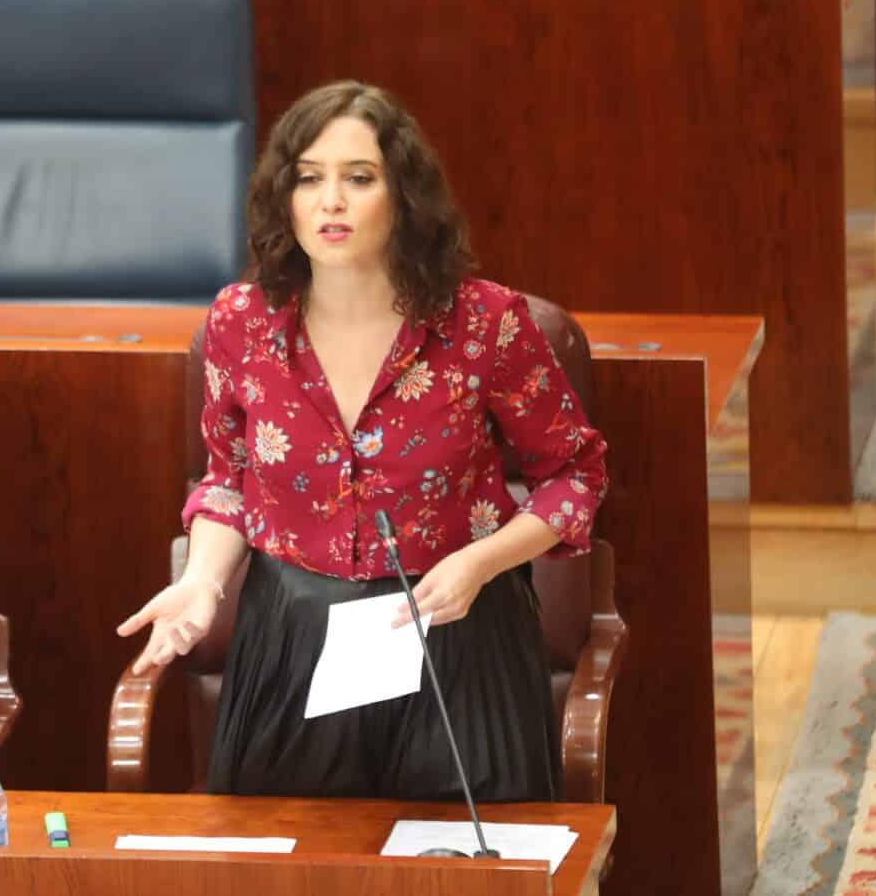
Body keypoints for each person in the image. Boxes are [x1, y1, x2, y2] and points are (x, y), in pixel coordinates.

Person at [116, 81, 608, 802]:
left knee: (459, 871)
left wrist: (481, 561)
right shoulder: (241, 323)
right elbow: (229, 483)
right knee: (297, 867)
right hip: (293, 640)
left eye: (359, 178)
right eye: (308, 178)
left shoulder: (485, 323)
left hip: (458, 633)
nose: (330, 201)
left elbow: (576, 475)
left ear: (405, 196)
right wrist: (203, 581)